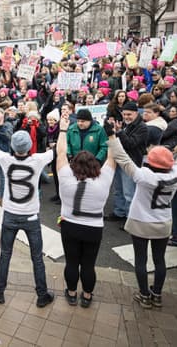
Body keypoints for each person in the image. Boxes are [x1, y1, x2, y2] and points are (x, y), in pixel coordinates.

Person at [105, 117, 177, 308]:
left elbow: (122, 158)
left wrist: (112, 136)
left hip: (140, 222)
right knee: (159, 260)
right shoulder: (176, 176)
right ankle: (157, 294)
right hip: (163, 222)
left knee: (141, 260)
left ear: (151, 162)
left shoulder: (145, 176)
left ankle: (144, 294)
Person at [0, 130, 55, 308]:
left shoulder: (6, 160)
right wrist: (63, 130)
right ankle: (42, 294)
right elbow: (56, 151)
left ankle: (0, 290)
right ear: (29, 146)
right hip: (31, 216)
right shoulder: (38, 160)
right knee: (37, 257)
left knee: (5, 254)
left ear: (13, 146)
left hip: (10, 214)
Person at [56, 116, 116, 307]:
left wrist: (63, 130)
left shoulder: (66, 177)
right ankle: (87, 296)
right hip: (93, 227)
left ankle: (72, 293)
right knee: (89, 264)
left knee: (72, 262)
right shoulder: (104, 179)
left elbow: (61, 152)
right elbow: (113, 156)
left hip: (69, 225)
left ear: (74, 166)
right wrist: (112, 134)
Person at [106, 101, 148, 221]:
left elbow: (131, 143)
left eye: (129, 114)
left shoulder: (142, 127)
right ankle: (119, 212)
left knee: (129, 193)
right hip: (120, 161)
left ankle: (131, 218)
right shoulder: (127, 124)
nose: (126, 117)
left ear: (136, 113)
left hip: (131, 163)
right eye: (124, 114)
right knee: (118, 190)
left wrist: (119, 132)